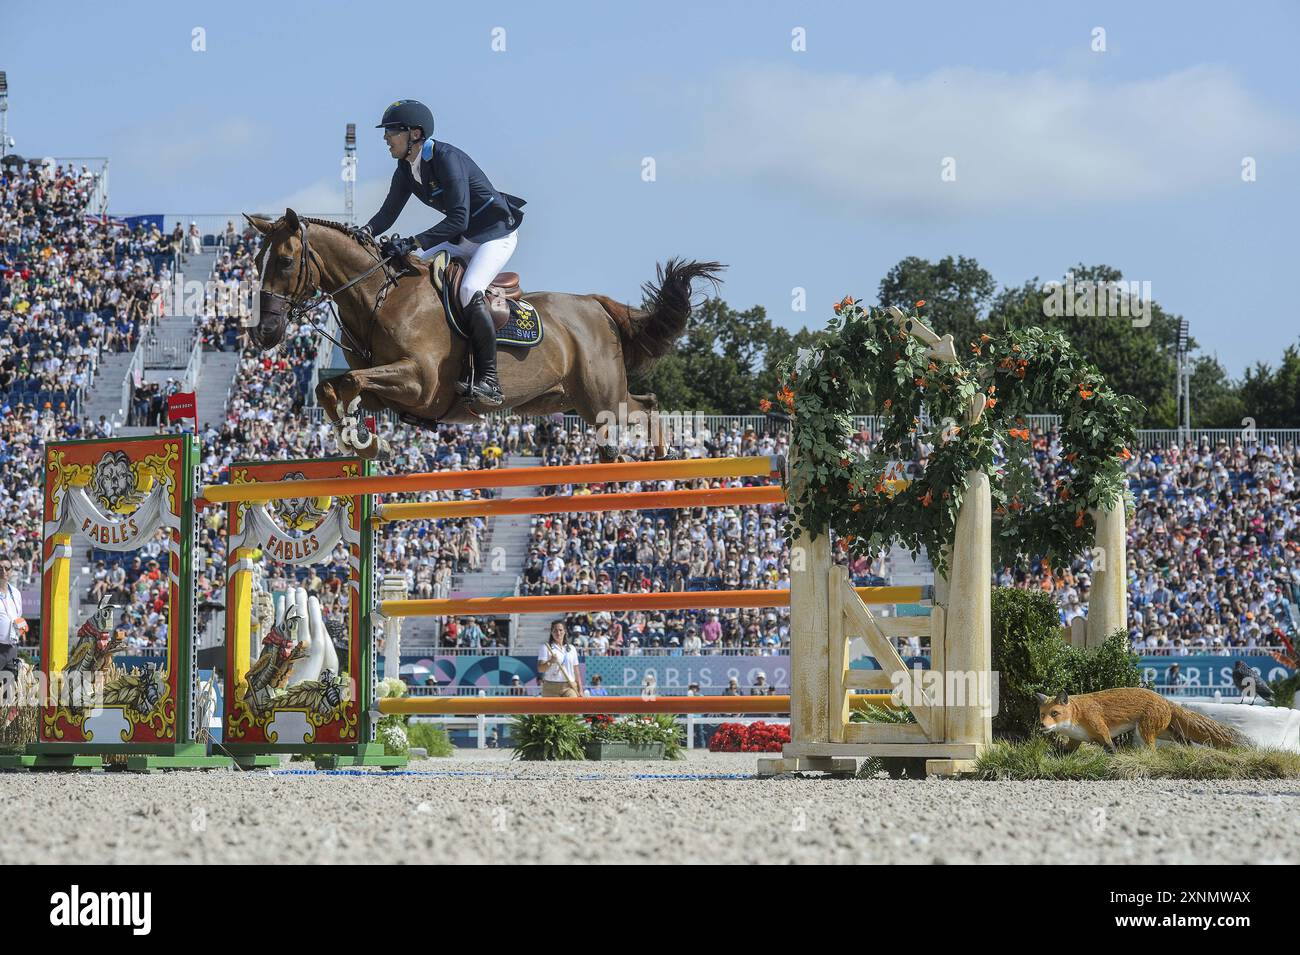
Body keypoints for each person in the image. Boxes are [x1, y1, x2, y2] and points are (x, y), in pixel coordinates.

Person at [360, 99, 526, 411]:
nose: (386, 138)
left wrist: (412, 241)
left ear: (415, 134)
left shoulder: (446, 158)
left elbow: (458, 219)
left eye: (392, 132)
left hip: (495, 235)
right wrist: (366, 230)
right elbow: (388, 211)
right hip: (462, 238)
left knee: (468, 289)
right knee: (410, 272)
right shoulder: (406, 168)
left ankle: (490, 380)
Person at [537, 619, 580, 697]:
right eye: (555, 630)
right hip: (550, 687)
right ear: (551, 632)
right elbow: (540, 669)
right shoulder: (546, 647)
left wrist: (580, 689)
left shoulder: (572, 648)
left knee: (573, 707)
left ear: (565, 631)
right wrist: (550, 661)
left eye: (560, 630)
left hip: (569, 686)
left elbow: (576, 671)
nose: (558, 633)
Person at [0, 560, 25, 677]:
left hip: (12, 647)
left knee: (9, 690)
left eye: (6, 568)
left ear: (11, 572)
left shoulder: (15, 593)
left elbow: (18, 616)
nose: (3, 571)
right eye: (0, 568)